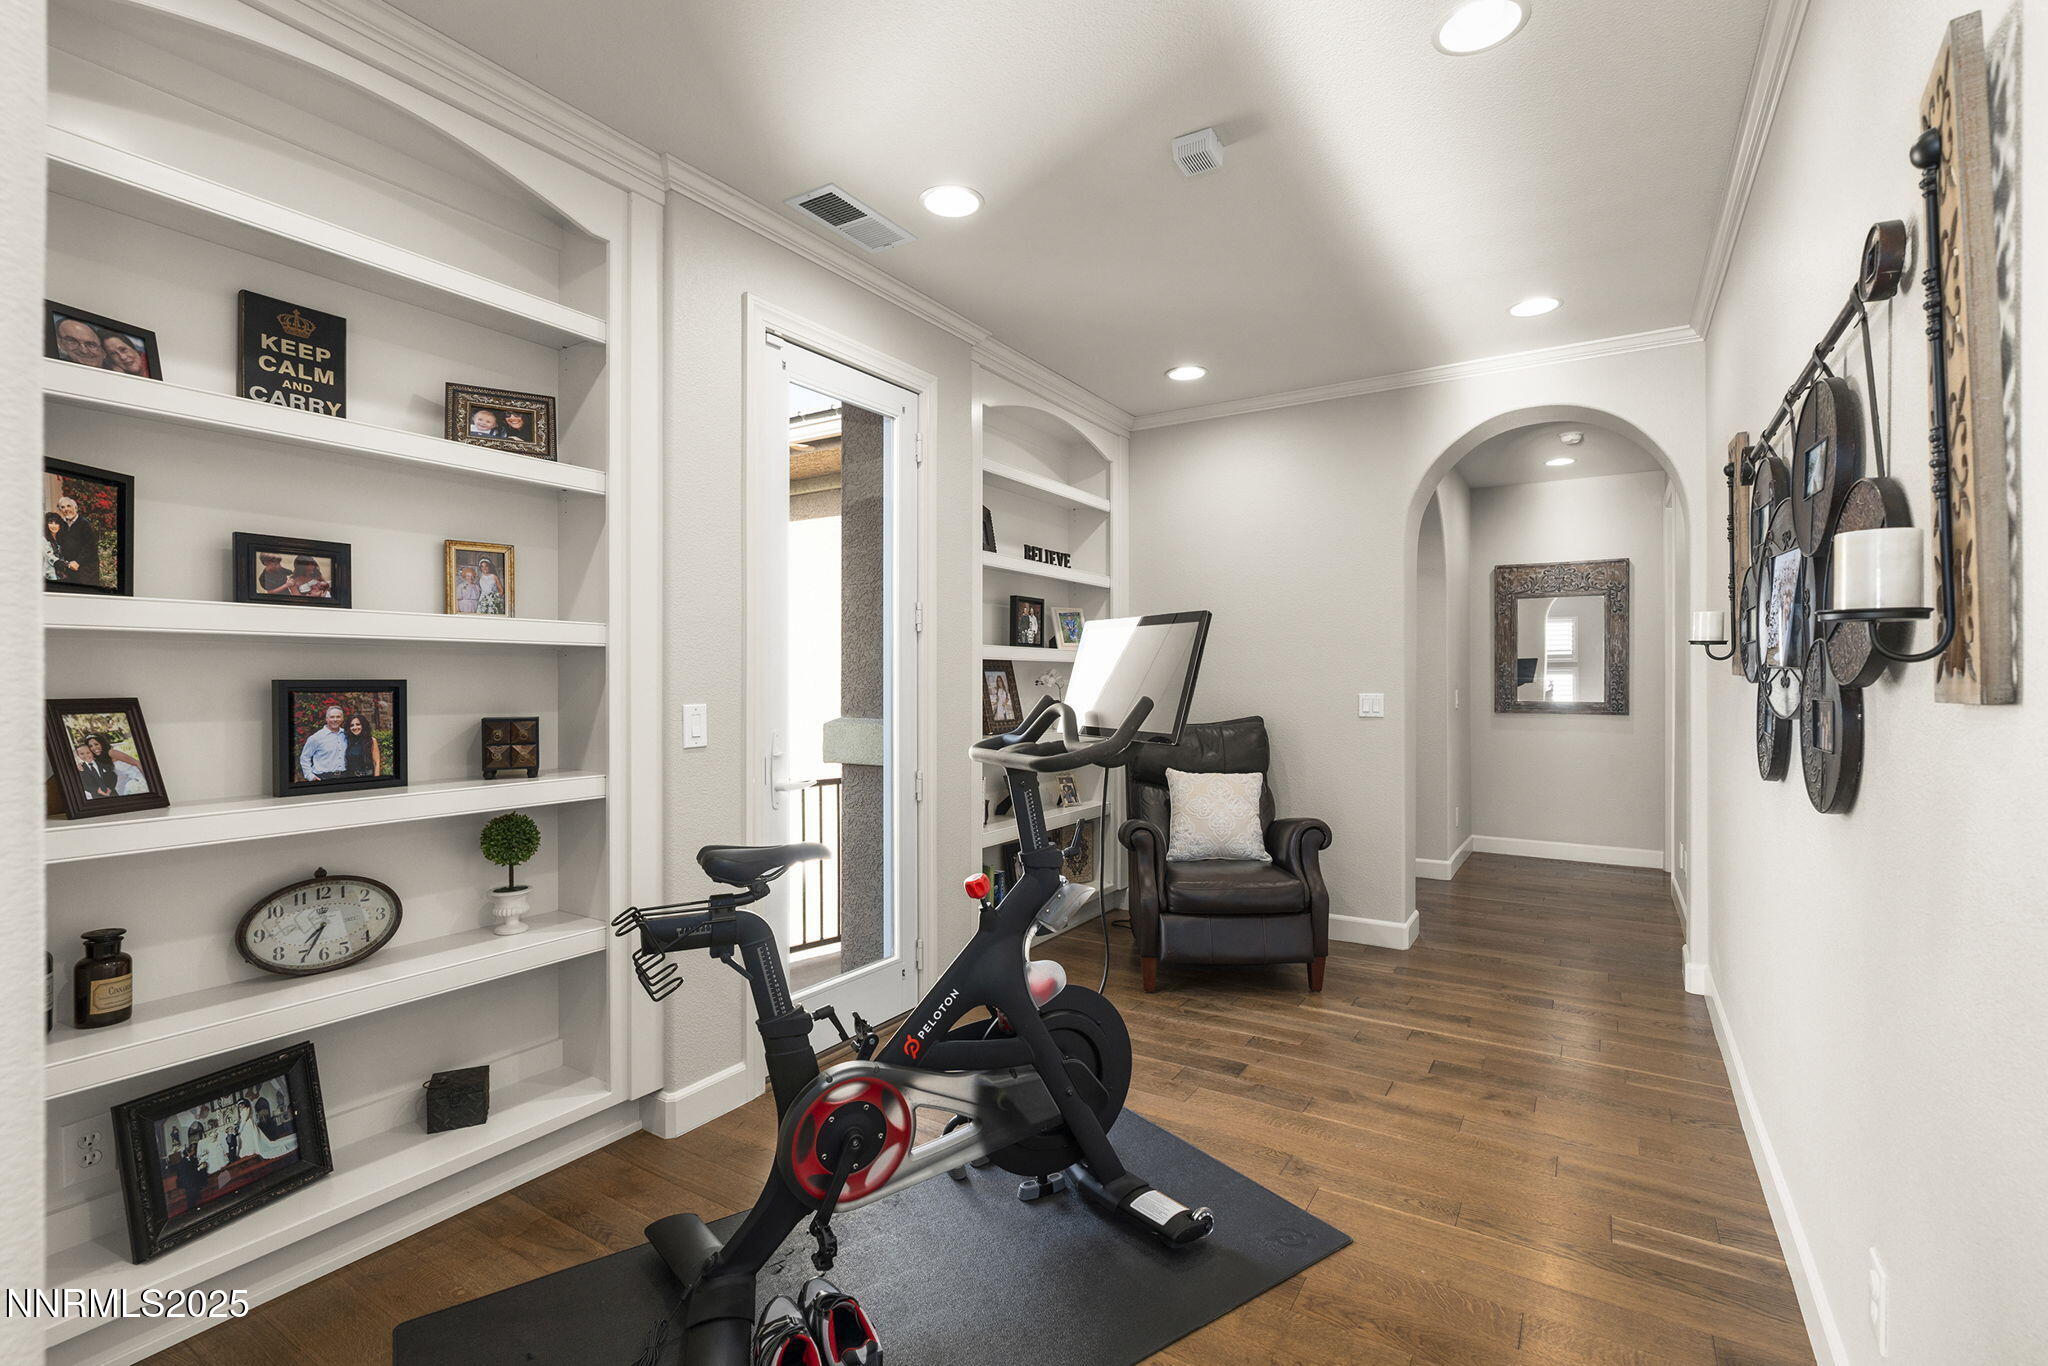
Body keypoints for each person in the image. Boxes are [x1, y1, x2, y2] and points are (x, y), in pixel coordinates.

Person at [49, 495, 101, 587]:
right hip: (70, 569)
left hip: (86, 570)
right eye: (63, 507)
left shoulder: (85, 524)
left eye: (69, 506)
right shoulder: (63, 524)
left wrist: (78, 562)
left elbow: (90, 547)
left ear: (75, 508)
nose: (66, 509)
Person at [298, 704, 350, 783]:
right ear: (326, 719)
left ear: (342, 718)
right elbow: (305, 757)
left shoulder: (347, 734)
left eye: (338, 717)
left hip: (345, 777)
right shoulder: (316, 738)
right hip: (323, 778)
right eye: (332, 717)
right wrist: (310, 776)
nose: (335, 719)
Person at [343, 712, 381, 778]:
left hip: (366, 776)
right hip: (349, 777)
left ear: (363, 725)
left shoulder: (371, 741)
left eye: (358, 724)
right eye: (352, 725)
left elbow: (376, 763)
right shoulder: (347, 741)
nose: (355, 727)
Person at [44, 514, 62, 582]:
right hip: (49, 575)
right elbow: (50, 556)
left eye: (56, 523)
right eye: (50, 523)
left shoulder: (59, 539)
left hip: (60, 575)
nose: (54, 526)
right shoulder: (43, 539)